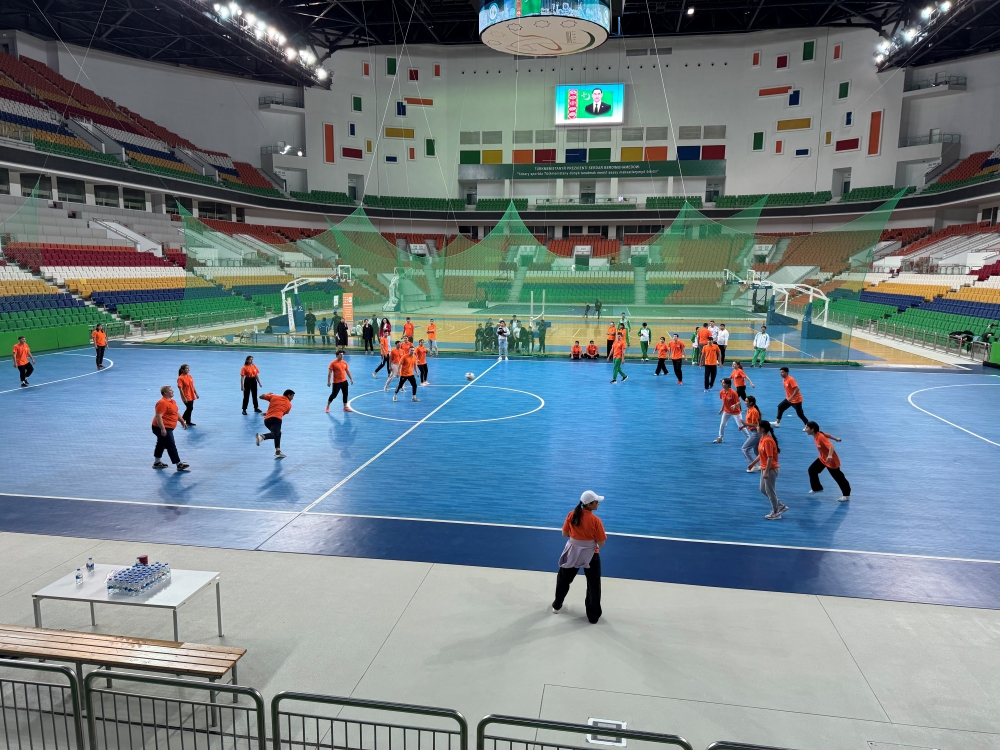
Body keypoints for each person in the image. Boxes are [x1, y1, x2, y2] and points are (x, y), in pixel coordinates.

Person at [552, 490, 606, 624]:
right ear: (589, 505)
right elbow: (601, 543)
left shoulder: (572, 515)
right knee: (594, 585)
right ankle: (593, 617)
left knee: (563, 579)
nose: (598, 503)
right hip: (591, 555)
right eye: (596, 502)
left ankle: (557, 605)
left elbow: (565, 534)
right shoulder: (596, 520)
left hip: (572, 553)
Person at [806, 421, 851, 501]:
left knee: (839, 478)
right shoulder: (818, 434)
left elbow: (831, 445)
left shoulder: (820, 437)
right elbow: (828, 435)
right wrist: (836, 439)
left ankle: (846, 495)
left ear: (812, 429)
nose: (805, 429)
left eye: (807, 428)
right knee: (812, 470)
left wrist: (830, 455)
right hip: (823, 458)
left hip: (831, 461)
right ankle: (817, 488)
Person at [152, 385, 189, 471]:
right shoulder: (162, 403)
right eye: (171, 390)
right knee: (170, 444)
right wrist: (163, 429)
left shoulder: (172, 401)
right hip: (161, 427)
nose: (173, 391)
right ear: (165, 393)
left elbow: (175, 413)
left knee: (161, 443)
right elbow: (158, 417)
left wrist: (182, 421)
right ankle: (178, 464)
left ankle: (157, 463)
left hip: (167, 427)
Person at [757, 421, 787, 519]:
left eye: (758, 426)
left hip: (770, 469)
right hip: (764, 468)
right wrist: (753, 463)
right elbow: (762, 454)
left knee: (770, 491)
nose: (756, 427)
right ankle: (780, 505)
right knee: (762, 489)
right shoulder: (762, 439)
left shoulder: (768, 441)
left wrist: (766, 472)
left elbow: (770, 457)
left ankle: (776, 512)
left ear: (762, 429)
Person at [255, 389, 295, 459]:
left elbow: (260, 397)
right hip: (276, 420)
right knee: (276, 434)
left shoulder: (274, 397)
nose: (292, 398)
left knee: (278, 433)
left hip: (267, 420)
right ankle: (262, 437)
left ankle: (278, 452)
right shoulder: (289, 405)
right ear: (288, 395)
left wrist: (268, 394)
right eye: (292, 396)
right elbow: (282, 413)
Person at [714, 378, 743, 443]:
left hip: (736, 412)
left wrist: (734, 405)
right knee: (722, 424)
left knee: (741, 426)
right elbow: (723, 401)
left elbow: (739, 402)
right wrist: (722, 409)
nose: (722, 384)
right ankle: (720, 438)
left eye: (723, 383)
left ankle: (750, 438)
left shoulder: (733, 392)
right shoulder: (721, 392)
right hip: (726, 411)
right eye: (722, 383)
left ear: (728, 384)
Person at [740, 395, 761, 471]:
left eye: (746, 401)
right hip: (754, 432)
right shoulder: (749, 410)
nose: (745, 402)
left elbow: (756, 424)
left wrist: (745, 424)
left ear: (751, 403)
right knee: (756, 451)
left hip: (757, 433)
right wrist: (743, 426)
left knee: (744, 448)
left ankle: (754, 465)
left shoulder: (754, 411)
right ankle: (767, 463)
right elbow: (750, 422)